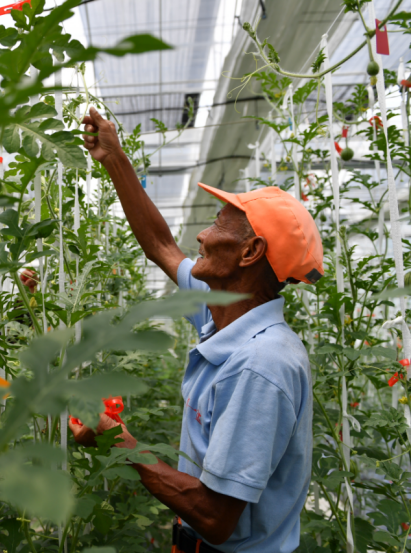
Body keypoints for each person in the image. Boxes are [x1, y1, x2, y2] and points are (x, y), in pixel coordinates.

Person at [69, 108, 324, 553]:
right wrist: (114, 158)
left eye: (219, 223)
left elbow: (215, 517)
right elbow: (160, 245)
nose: (203, 235)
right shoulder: (222, 310)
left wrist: (119, 441)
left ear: (250, 252)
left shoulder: (260, 365)